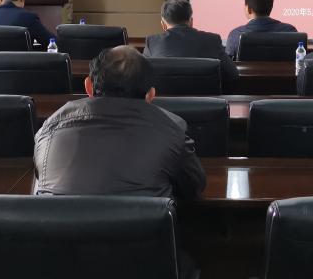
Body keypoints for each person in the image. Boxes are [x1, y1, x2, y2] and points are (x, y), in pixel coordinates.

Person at [34, 45, 206, 198]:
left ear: (88, 87)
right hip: (139, 225)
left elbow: (41, 178)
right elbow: (194, 187)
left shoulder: (50, 127)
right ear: (150, 95)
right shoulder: (172, 130)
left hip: (57, 225)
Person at [144, 0, 239, 85]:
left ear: (163, 25)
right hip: (206, 98)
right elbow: (232, 75)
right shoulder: (212, 40)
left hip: (163, 98)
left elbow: (142, 77)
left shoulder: (152, 42)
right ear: (191, 22)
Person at [224, 0, 298, 58]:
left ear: (249, 9)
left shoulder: (235, 35)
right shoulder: (290, 31)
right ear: (271, 7)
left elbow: (228, 63)